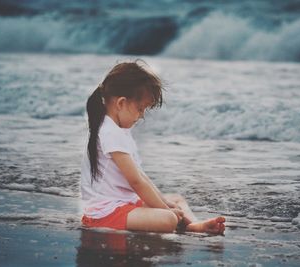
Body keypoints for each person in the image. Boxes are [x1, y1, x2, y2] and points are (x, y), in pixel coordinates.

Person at [80, 60, 225, 234]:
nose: (141, 116)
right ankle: (185, 225)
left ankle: (193, 225)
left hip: (124, 202)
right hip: (105, 213)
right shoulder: (111, 133)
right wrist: (165, 210)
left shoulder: (117, 129)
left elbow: (141, 176)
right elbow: (136, 182)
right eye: (140, 109)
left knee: (176, 200)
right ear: (121, 103)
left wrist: (165, 202)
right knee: (168, 219)